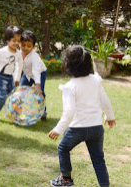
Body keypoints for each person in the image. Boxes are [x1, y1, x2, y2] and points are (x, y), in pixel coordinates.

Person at [49, 45, 116, 187]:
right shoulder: (95, 80)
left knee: (63, 148)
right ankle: (104, 185)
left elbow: (69, 112)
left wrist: (58, 129)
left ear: (67, 65)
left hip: (77, 129)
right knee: (98, 159)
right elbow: (105, 100)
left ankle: (66, 180)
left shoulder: (70, 86)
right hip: (96, 128)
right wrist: (109, 116)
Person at [0, 26, 23, 122]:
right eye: (14, 40)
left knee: (12, 96)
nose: (16, 43)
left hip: (10, 77)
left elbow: (19, 65)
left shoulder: (18, 53)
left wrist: (17, 78)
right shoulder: (2, 51)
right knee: (2, 96)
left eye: (18, 41)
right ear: (7, 40)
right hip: (0, 76)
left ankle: (9, 113)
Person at [19, 30, 47, 120]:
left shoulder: (35, 57)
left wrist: (37, 86)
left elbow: (36, 70)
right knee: (21, 91)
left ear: (33, 47)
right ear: (20, 44)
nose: (25, 48)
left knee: (39, 91)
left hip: (39, 73)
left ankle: (43, 111)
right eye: (23, 45)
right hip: (27, 75)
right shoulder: (18, 54)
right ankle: (17, 110)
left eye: (29, 46)